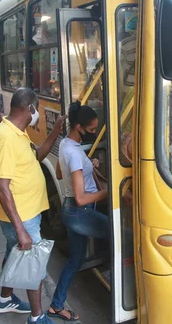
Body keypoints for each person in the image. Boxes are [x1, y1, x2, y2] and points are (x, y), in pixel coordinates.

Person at [0, 88, 65, 324]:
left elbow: (36, 158)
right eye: (38, 109)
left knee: (14, 255)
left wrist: (55, 131)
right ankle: (37, 317)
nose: (39, 115)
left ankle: (5, 299)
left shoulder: (19, 133)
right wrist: (20, 229)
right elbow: (2, 186)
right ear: (30, 109)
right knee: (34, 267)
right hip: (22, 218)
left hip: (27, 213)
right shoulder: (5, 137)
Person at [48, 102, 108, 321]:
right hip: (80, 211)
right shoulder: (73, 153)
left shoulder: (65, 144)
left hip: (71, 210)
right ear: (79, 127)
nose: (94, 133)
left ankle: (56, 305)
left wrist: (87, 165)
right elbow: (82, 198)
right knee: (121, 237)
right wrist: (109, 192)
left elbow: (60, 172)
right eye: (91, 130)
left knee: (75, 259)